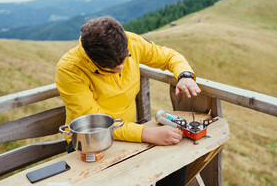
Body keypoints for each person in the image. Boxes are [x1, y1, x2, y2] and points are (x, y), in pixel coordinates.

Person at [55, 16, 201, 185]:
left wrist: (184, 75)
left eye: (125, 57)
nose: (122, 67)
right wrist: (148, 134)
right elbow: (96, 122)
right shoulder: (69, 69)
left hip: (131, 131)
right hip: (91, 143)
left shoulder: (131, 41)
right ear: (92, 59)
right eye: (112, 66)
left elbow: (168, 56)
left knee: (175, 160)